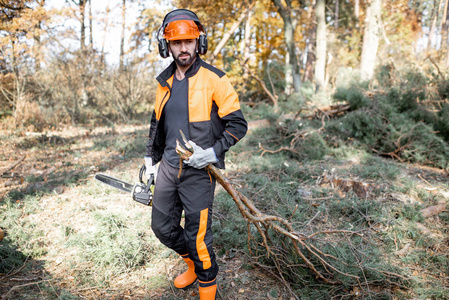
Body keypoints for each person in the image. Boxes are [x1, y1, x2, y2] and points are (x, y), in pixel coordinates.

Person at [144, 8, 247, 300]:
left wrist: (213, 152)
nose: (183, 48)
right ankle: (191, 263)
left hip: (199, 171)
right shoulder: (163, 82)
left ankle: (207, 287)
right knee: (162, 227)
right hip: (168, 166)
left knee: (198, 236)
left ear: (198, 42)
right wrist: (150, 162)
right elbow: (157, 125)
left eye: (188, 41)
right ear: (167, 46)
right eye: (177, 43)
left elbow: (238, 124)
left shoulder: (215, 78)